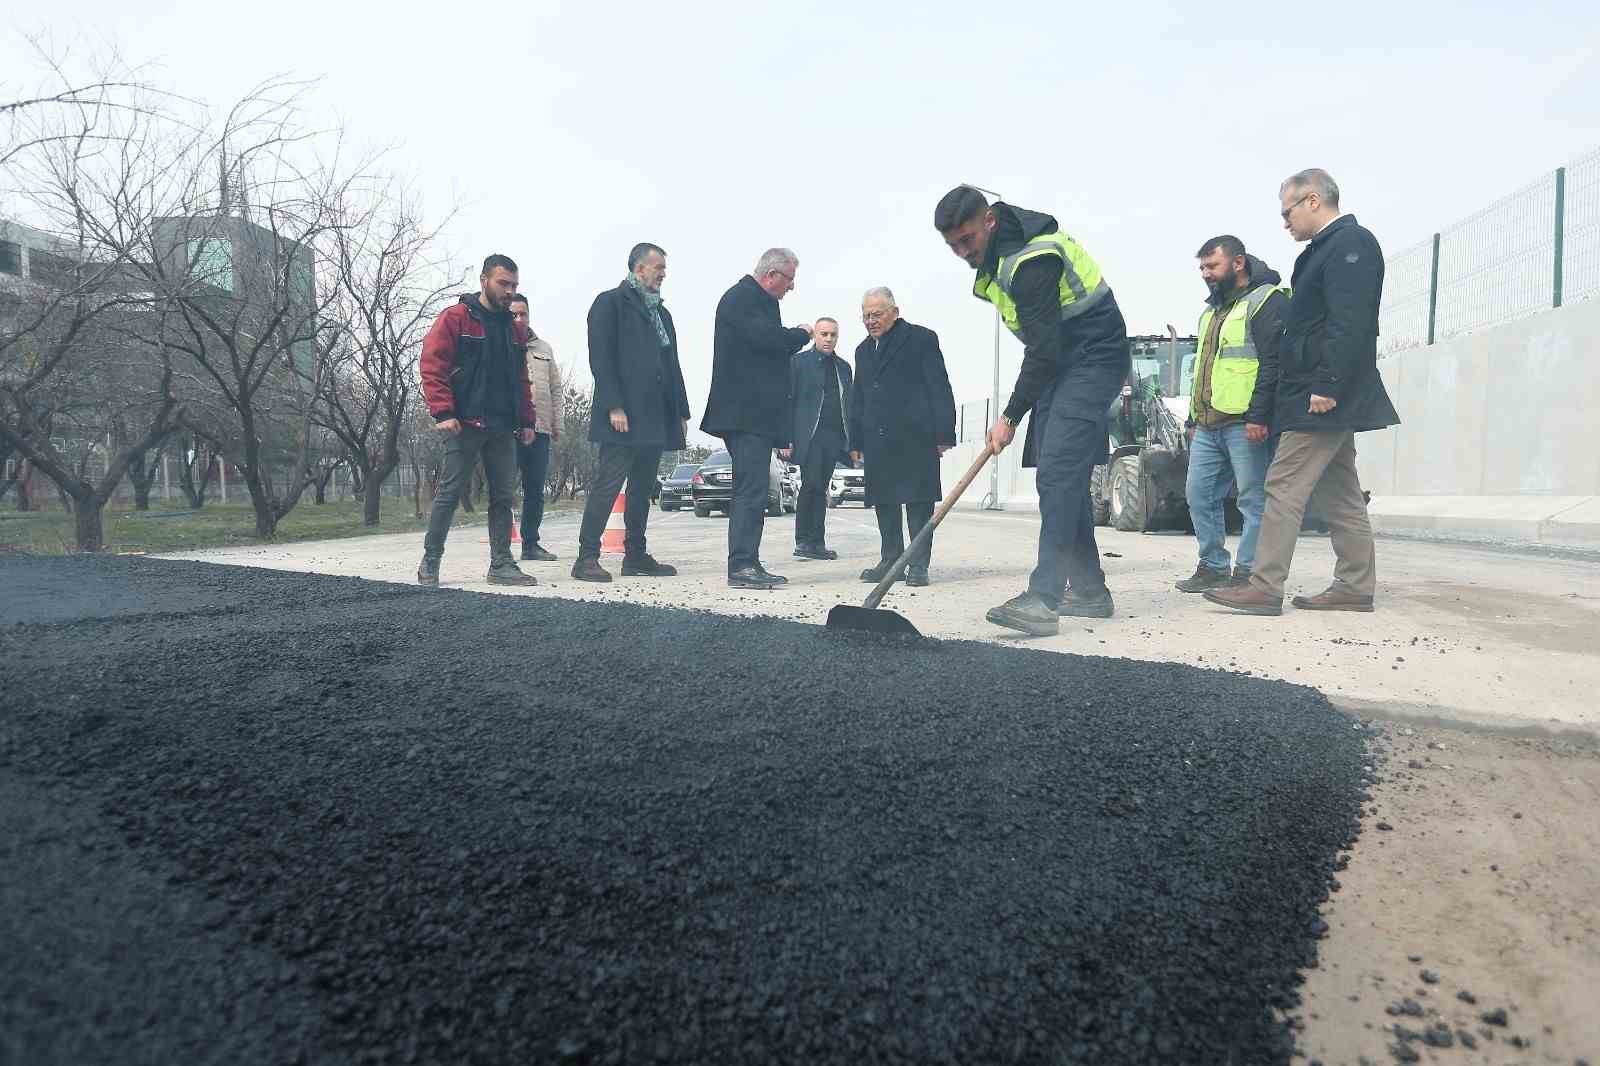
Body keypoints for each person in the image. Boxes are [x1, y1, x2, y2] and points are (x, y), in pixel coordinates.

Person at [933, 187, 1130, 636]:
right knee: (1062, 476)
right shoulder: (999, 260)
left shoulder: (1029, 262)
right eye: (954, 246)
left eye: (967, 240)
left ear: (990, 222)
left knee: (1058, 473)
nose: (963, 252)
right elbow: (1047, 350)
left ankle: (1043, 599)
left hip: (1093, 359)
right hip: (1064, 362)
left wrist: (1009, 415)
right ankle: (1089, 592)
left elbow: (1043, 350)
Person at [1205, 169, 1400, 616]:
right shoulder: (1323, 251)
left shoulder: (1352, 244)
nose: (1284, 222)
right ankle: (1354, 585)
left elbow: (1351, 322)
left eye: (1287, 211)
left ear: (1313, 201)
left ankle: (1264, 585)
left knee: (1282, 484)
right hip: (1315, 391)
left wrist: (1327, 385)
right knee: (1340, 493)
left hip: (1323, 394)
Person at [416, 254, 538, 587]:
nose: (509, 291)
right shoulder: (456, 319)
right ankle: (431, 561)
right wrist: (443, 411)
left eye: (514, 285)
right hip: (464, 421)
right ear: (484, 280)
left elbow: (522, 378)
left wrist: (527, 419)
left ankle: (501, 564)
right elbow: (432, 364)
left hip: (502, 426)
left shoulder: (514, 329)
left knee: (502, 495)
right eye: (503, 283)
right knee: (450, 491)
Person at [572, 243, 690, 582]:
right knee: (609, 485)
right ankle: (586, 558)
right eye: (659, 268)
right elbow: (601, 358)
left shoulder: (660, 313)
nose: (663, 274)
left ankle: (635, 555)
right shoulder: (610, 303)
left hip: (655, 416)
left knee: (642, 488)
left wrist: (680, 410)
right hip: (622, 415)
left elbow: (672, 364)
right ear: (639, 269)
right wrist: (614, 405)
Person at [1176, 236, 1285, 593]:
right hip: (1208, 425)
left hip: (1245, 423)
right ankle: (1212, 566)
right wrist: (1194, 419)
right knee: (1198, 495)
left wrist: (1259, 416)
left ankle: (1249, 572)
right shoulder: (1211, 311)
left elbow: (1272, 364)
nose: (1206, 274)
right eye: (1203, 268)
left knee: (1253, 499)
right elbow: (1205, 370)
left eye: (1213, 266)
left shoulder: (1265, 301)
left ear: (1237, 263)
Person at [702, 248, 812, 589]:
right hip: (744, 415)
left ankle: (749, 561)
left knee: (753, 488)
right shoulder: (740, 300)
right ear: (772, 275)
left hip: (756, 415)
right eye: (790, 279)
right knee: (750, 489)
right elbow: (769, 341)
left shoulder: (759, 301)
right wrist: (801, 334)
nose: (791, 287)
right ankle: (741, 566)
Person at [846, 287, 956, 587]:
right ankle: (891, 558)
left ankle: (918, 565)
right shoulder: (863, 350)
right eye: (866, 316)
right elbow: (859, 398)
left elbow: (939, 386)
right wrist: (855, 441)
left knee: (918, 503)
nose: (871, 321)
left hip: (916, 436)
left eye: (877, 314)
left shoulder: (921, 339)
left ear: (895, 312)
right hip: (878, 439)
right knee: (885, 501)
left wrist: (943, 433)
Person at [783, 317, 852, 561]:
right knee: (811, 484)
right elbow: (788, 402)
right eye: (824, 334)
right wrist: (785, 438)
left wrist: (851, 443)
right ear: (816, 336)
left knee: (820, 487)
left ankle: (816, 542)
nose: (829, 339)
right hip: (808, 436)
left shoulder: (843, 367)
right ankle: (805, 541)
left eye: (833, 334)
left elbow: (849, 406)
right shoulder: (798, 362)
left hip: (833, 438)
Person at [508, 295, 563, 562]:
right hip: (507, 430)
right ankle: (500, 550)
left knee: (534, 490)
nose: (519, 319)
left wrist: (557, 424)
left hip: (540, 429)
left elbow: (555, 388)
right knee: (503, 490)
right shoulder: (499, 343)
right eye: (514, 314)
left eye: (523, 314)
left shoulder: (544, 348)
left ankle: (531, 544)